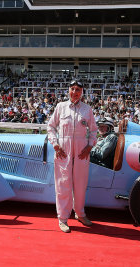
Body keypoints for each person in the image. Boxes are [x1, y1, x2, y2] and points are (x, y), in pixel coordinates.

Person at [47, 79, 98, 233]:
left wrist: (89, 146)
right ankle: (62, 218)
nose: (75, 92)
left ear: (82, 92)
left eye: (78, 90)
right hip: (63, 150)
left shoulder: (87, 109)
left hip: (82, 152)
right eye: (73, 89)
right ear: (68, 90)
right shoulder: (61, 107)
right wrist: (55, 144)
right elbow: (50, 127)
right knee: (63, 184)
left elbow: (94, 130)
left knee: (81, 184)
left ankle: (80, 214)